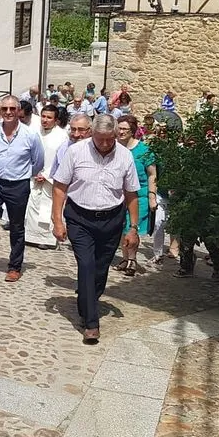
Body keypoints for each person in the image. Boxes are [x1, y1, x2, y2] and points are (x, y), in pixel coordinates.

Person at [52, 114, 140, 344]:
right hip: (80, 218)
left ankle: (87, 300)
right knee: (87, 265)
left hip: (111, 220)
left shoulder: (125, 156)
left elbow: (131, 193)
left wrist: (133, 228)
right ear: (92, 134)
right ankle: (91, 323)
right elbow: (60, 187)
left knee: (100, 270)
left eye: (108, 140)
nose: (103, 144)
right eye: (99, 139)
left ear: (115, 135)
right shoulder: (76, 152)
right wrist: (57, 221)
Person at [0, 95, 44, 286]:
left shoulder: (30, 135)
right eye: (5, 109)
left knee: (17, 226)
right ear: (1, 111)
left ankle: (14, 267)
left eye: (13, 109)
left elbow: (38, 162)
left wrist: (24, 174)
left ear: (19, 110)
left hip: (18, 185)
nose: (9, 113)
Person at [115, 115, 157, 276]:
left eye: (125, 129)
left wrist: (152, 196)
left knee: (131, 228)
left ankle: (132, 259)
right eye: (119, 128)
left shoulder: (144, 150)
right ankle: (125, 258)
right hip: (119, 195)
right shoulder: (114, 148)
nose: (121, 132)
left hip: (140, 196)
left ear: (132, 130)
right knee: (121, 228)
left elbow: (152, 174)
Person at [25, 104, 69, 249]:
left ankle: (47, 239)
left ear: (56, 120)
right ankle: (31, 235)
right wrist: (33, 171)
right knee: (32, 204)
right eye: (43, 116)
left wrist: (46, 174)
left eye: (49, 117)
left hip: (51, 178)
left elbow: (62, 158)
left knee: (47, 206)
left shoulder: (62, 136)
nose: (45, 120)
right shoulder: (34, 131)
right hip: (34, 175)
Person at [50, 113, 93, 179]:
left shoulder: (97, 148)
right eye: (73, 129)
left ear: (90, 130)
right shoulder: (64, 147)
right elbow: (55, 174)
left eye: (81, 130)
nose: (76, 134)